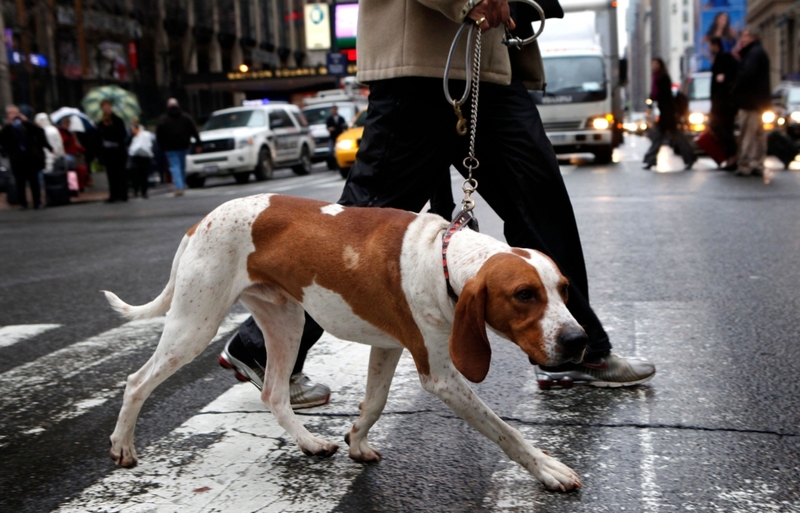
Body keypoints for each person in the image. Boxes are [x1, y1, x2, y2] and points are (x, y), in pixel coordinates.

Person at [220, 0, 656, 397]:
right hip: (421, 60)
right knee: (358, 225)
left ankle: (576, 348)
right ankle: (261, 345)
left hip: (490, 61)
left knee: (541, 204)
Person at [643, 58, 696, 170]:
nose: (653, 66)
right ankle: (651, 159)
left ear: (660, 65)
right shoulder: (657, 77)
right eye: (652, 64)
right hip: (665, 112)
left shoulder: (663, 78)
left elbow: (665, 97)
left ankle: (651, 159)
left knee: (668, 137)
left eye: (656, 64)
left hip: (668, 113)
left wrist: (668, 113)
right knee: (668, 137)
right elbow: (654, 95)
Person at [732, 26, 771, 178]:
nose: (742, 38)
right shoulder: (757, 52)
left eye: (745, 36)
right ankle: (756, 163)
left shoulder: (753, 54)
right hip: (758, 102)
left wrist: (735, 88)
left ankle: (746, 164)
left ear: (752, 38)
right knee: (757, 134)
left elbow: (747, 75)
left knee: (748, 134)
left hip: (750, 102)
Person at [0, 105, 52, 209]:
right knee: (20, 182)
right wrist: (8, 124)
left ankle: (37, 202)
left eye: (16, 113)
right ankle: (23, 203)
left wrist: (27, 122)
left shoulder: (27, 126)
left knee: (34, 181)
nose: (14, 116)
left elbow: (39, 133)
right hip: (16, 158)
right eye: (11, 114)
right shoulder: (8, 129)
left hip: (30, 158)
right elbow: (2, 140)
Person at [156, 98, 199, 197]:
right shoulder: (185, 117)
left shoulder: (163, 119)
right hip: (183, 146)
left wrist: (161, 146)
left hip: (170, 148)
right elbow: (194, 130)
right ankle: (181, 185)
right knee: (181, 166)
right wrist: (198, 143)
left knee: (175, 167)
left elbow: (159, 135)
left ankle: (179, 186)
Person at [708, 37, 739, 170]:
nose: (710, 49)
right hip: (721, 103)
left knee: (723, 129)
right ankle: (730, 157)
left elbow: (725, 81)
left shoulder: (724, 59)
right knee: (722, 129)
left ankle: (733, 156)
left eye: (711, 46)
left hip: (724, 104)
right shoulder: (721, 59)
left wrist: (725, 82)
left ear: (716, 45)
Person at [96, 99, 129, 203]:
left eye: (108, 106)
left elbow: (122, 134)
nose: (106, 109)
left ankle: (123, 194)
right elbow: (99, 137)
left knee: (121, 173)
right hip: (108, 152)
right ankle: (113, 195)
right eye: (104, 107)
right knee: (111, 174)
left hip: (118, 151)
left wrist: (111, 127)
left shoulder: (117, 120)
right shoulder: (101, 122)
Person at [128, 119, 155, 199]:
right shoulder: (132, 136)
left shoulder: (143, 135)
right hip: (137, 159)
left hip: (142, 159)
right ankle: (137, 191)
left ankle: (143, 192)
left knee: (143, 176)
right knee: (136, 176)